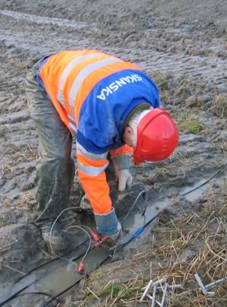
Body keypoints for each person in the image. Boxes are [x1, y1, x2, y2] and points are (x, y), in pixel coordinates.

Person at [25, 50, 178, 252]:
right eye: (134, 147)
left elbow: (125, 121)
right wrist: (107, 223)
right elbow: (91, 172)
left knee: (110, 148)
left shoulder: (150, 96)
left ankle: (90, 211)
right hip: (45, 81)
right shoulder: (98, 120)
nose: (132, 150)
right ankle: (48, 220)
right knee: (58, 158)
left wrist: (123, 164)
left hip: (89, 82)